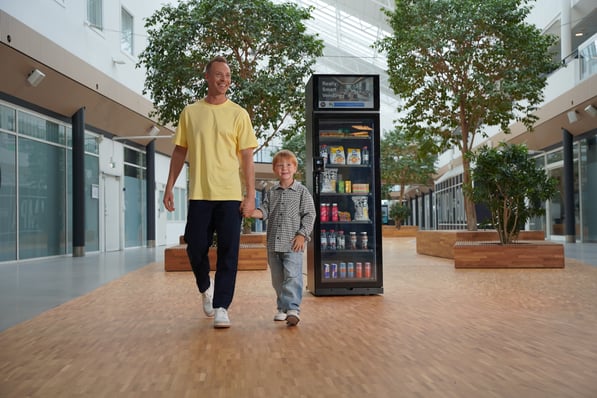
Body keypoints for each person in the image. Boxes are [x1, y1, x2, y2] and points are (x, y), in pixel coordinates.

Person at [163, 56, 258, 329]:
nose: (224, 80)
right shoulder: (190, 112)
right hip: (200, 194)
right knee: (195, 246)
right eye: (219, 75)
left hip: (229, 194)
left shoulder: (239, 114)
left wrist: (250, 195)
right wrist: (169, 185)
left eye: (227, 76)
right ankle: (206, 286)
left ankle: (221, 306)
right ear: (207, 77)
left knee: (230, 252)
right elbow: (180, 150)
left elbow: (247, 157)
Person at [250, 150, 316, 326]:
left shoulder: (302, 192)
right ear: (274, 169)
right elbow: (264, 211)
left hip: (293, 244)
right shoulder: (272, 193)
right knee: (277, 279)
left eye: (288, 165)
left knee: (293, 277)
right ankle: (282, 308)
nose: (284, 168)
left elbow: (310, 215)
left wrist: (302, 235)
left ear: (295, 168)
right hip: (273, 244)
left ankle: (293, 309)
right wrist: (251, 212)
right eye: (280, 165)